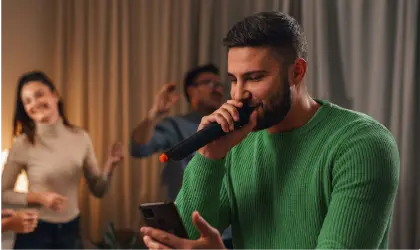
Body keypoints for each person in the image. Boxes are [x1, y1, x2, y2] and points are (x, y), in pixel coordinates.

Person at [140, 11, 400, 250]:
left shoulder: (363, 143)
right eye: (233, 80)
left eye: (254, 78)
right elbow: (185, 237)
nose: (238, 94)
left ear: (296, 72)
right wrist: (209, 156)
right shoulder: (235, 143)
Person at [0, 71, 124, 250]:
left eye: (39, 95)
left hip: (70, 231)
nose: (34, 104)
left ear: (55, 95)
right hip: (35, 231)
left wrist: (110, 165)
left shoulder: (80, 137)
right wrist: (40, 198)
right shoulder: (23, 143)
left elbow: (98, 190)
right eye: (27, 101)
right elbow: (3, 193)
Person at [130, 64, 225, 201]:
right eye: (209, 83)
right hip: (186, 214)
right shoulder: (176, 126)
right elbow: (138, 148)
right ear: (192, 90)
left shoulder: (231, 127)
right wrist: (154, 114)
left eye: (220, 85)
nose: (218, 90)